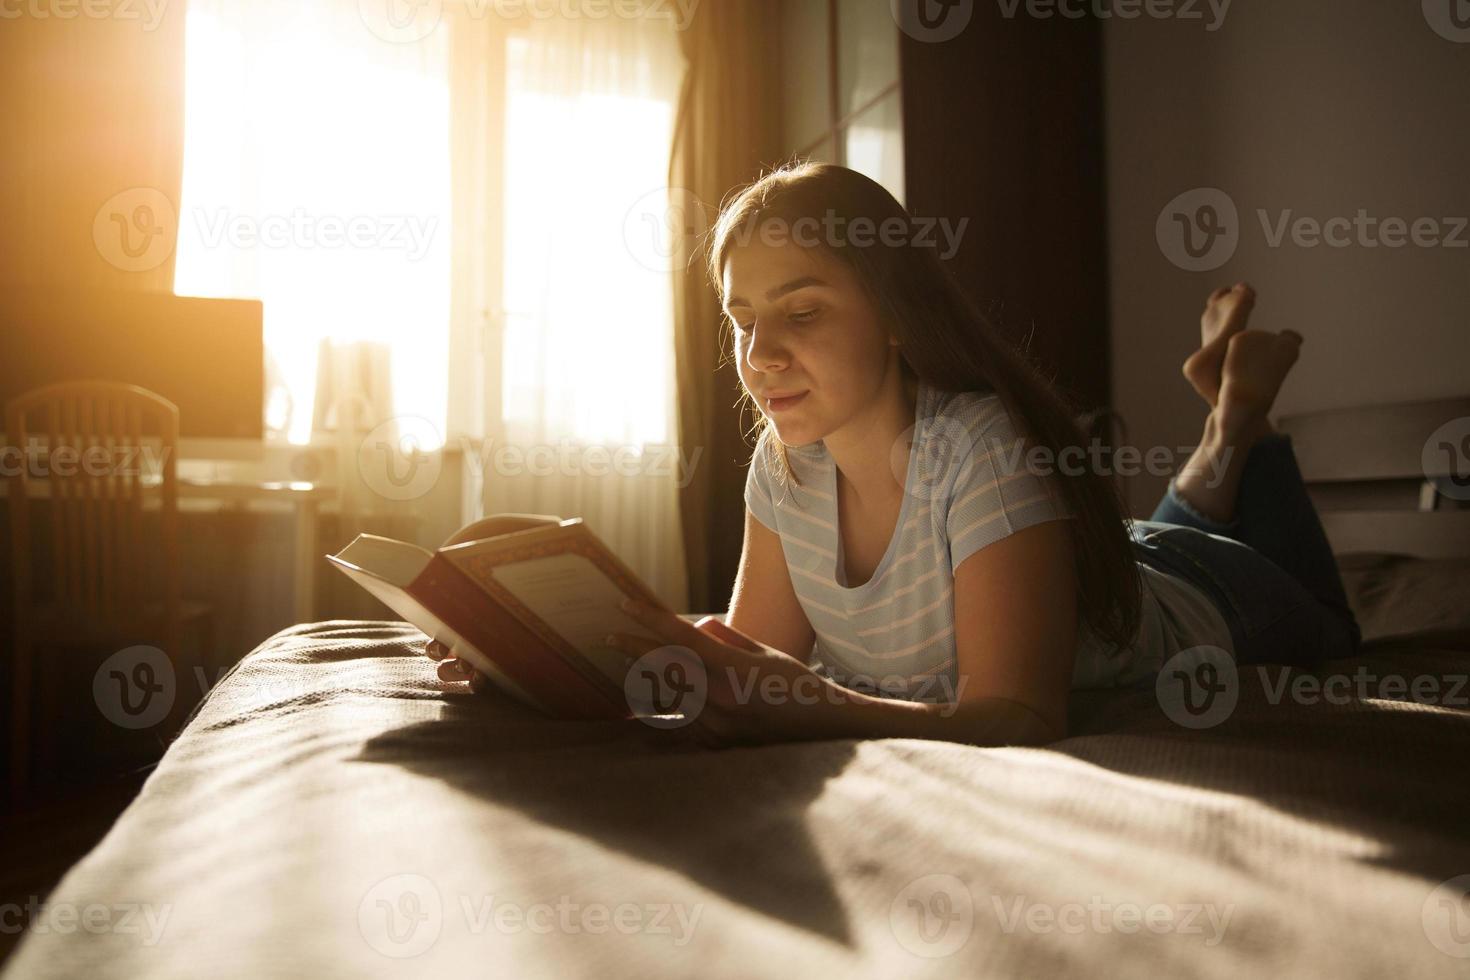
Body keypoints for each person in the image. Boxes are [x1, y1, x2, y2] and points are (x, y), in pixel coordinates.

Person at [428, 163, 1362, 748]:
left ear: (893, 314)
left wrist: (815, 705)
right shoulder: (784, 467)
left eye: (801, 313)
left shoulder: (978, 446)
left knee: (1336, 621)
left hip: (1209, 594)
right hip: (1100, 555)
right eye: (743, 322)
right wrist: (545, 650)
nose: (759, 357)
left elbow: (1019, 717)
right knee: (1139, 534)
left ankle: (1243, 422)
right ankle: (1228, 421)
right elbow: (754, 657)